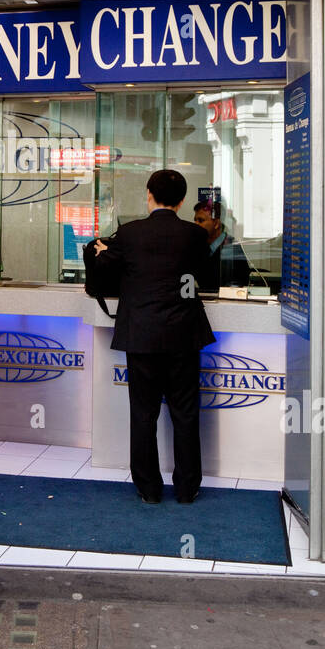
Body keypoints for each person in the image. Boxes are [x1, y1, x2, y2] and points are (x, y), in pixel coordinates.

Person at [93, 169, 215, 505]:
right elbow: (204, 273)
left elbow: (105, 274)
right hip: (183, 336)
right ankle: (187, 488)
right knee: (185, 413)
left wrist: (104, 253)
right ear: (182, 200)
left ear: (149, 195)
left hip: (143, 336)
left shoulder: (129, 234)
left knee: (143, 413)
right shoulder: (194, 235)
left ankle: (148, 488)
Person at [192, 200, 250, 292]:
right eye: (195, 220)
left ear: (216, 224)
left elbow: (238, 286)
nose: (196, 224)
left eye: (200, 220)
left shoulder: (232, 248)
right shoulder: (198, 247)